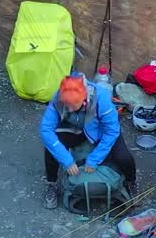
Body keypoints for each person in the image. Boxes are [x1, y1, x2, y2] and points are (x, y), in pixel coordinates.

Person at [39, 72, 137, 209]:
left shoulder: (101, 97)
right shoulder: (59, 97)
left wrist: (94, 159)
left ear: (84, 97)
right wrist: (66, 159)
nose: (69, 109)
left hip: (100, 130)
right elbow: (46, 129)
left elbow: (112, 131)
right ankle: (52, 184)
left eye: (74, 105)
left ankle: (131, 182)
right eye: (66, 105)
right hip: (76, 129)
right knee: (51, 148)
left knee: (124, 157)